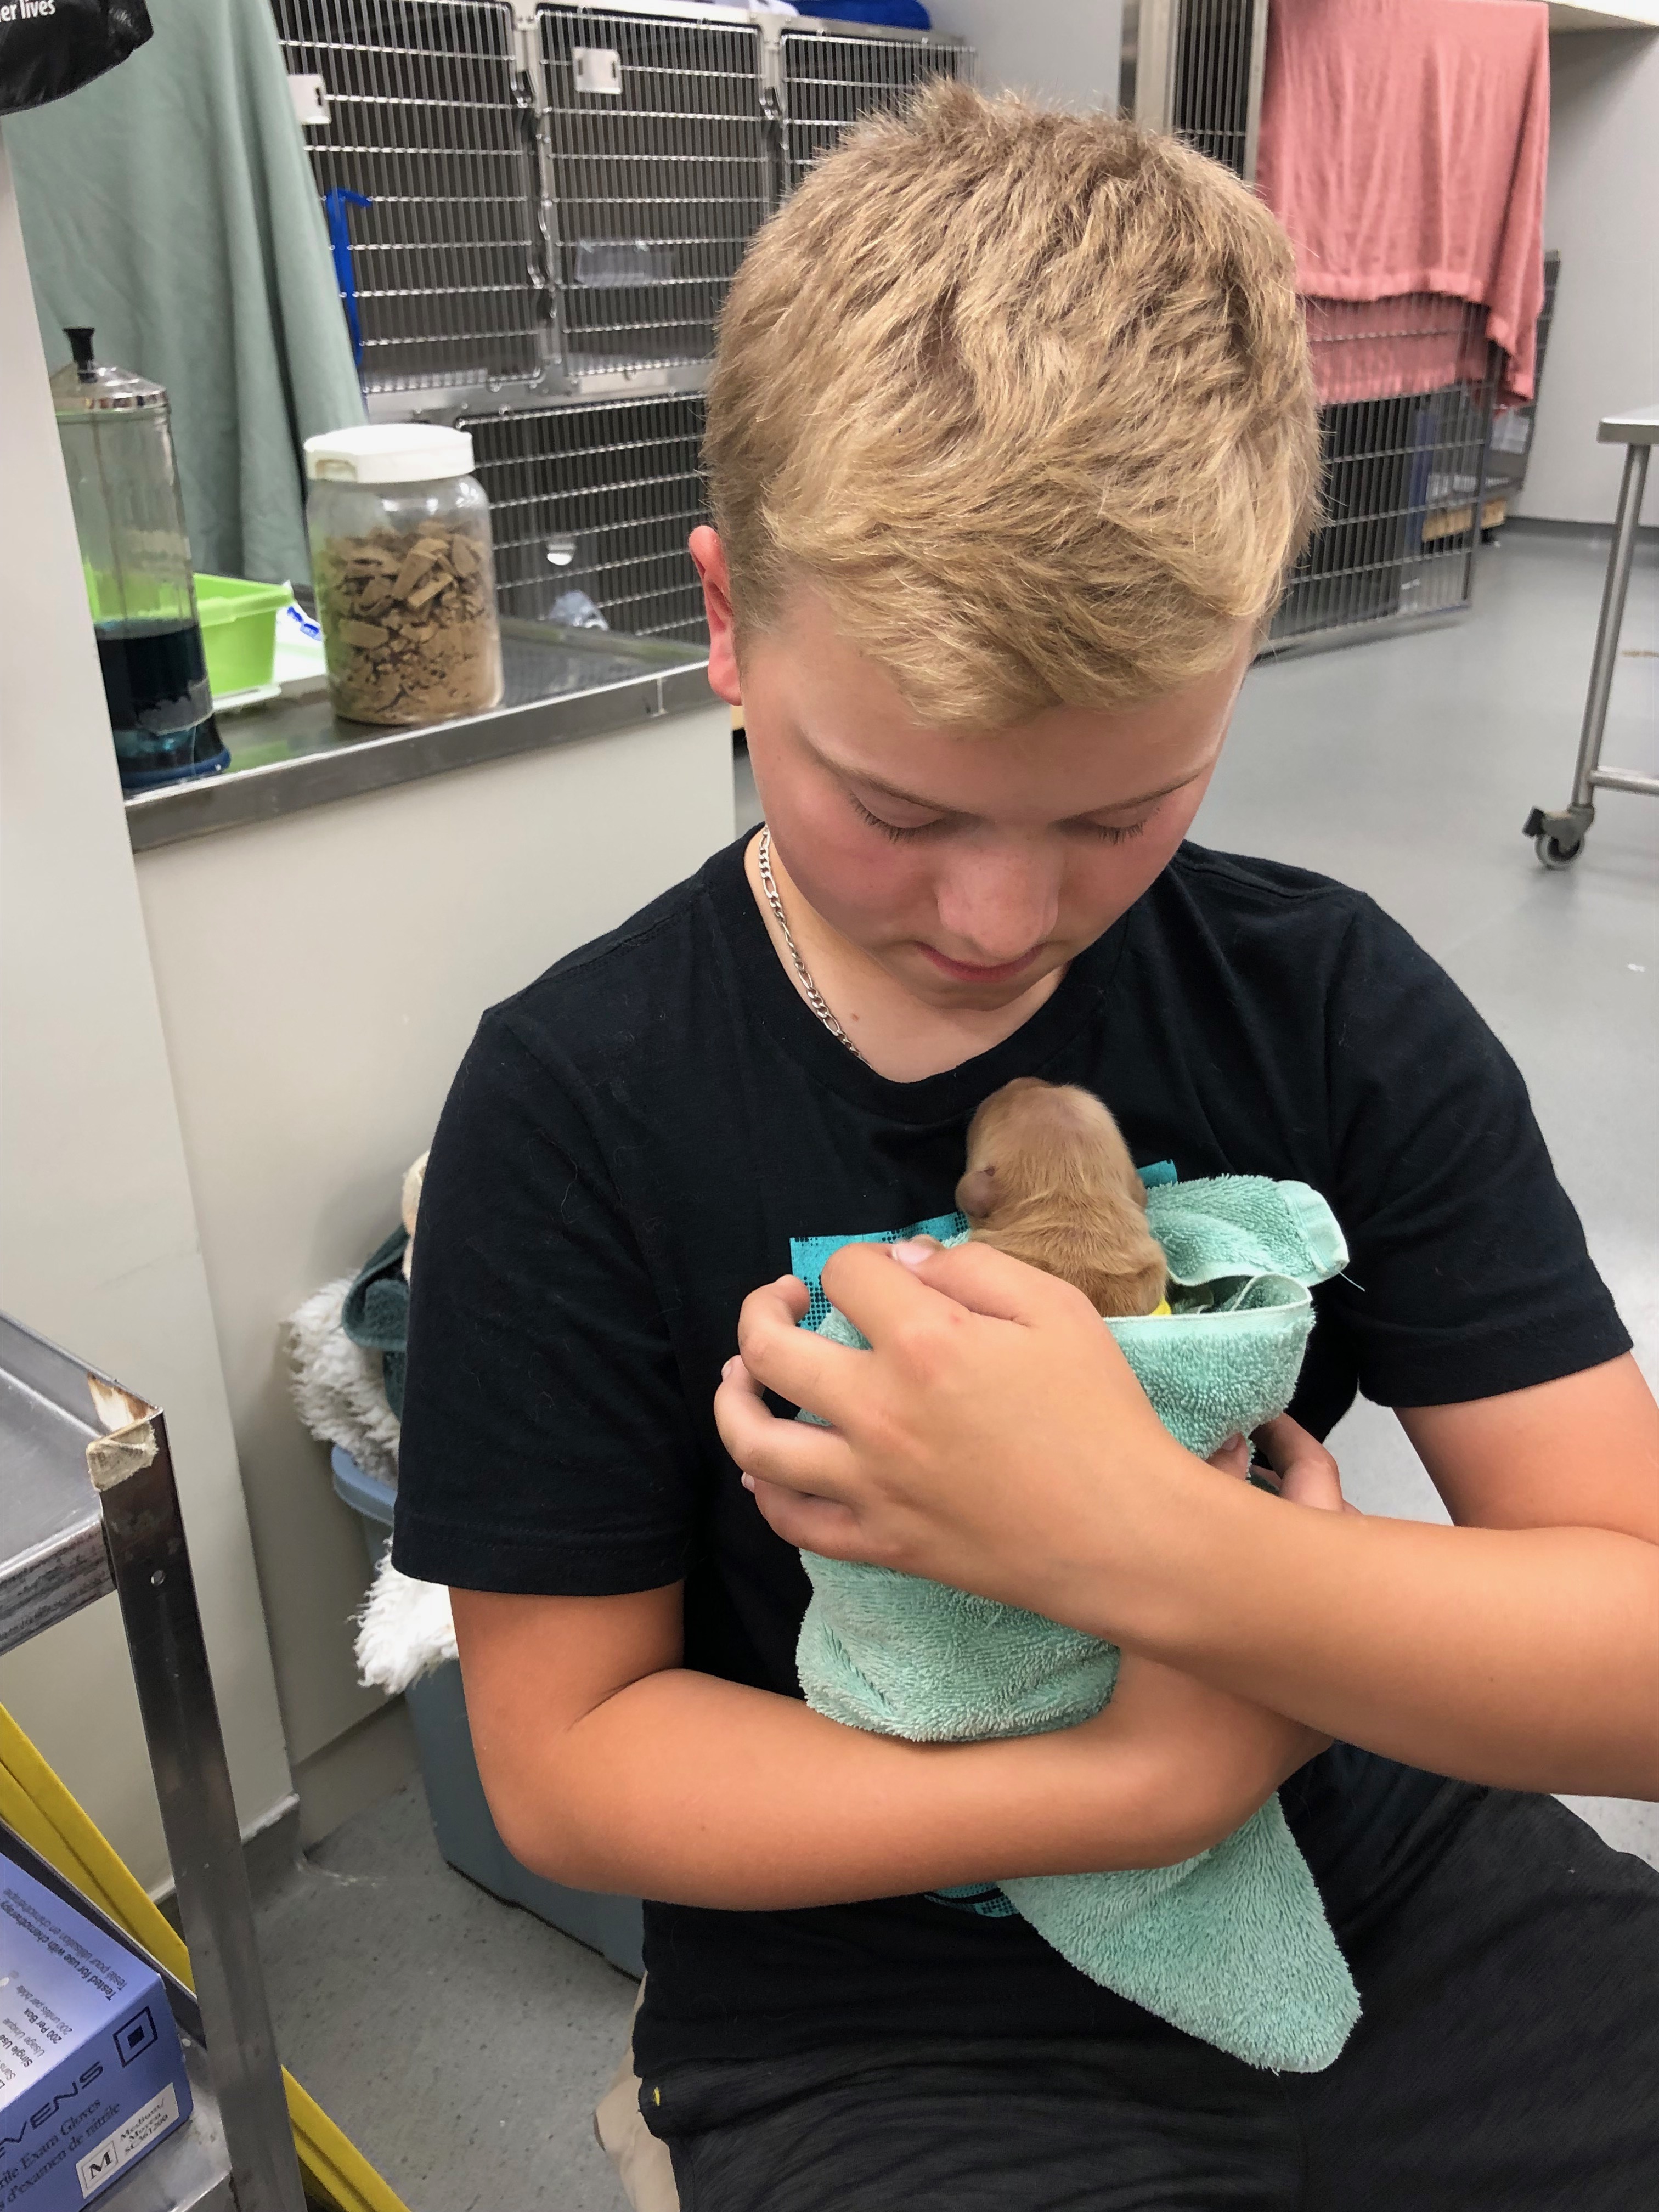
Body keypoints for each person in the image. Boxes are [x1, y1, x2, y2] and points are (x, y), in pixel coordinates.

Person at [394, 86, 1659, 2211]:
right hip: (878, 2007)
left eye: (1119, 813)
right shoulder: (574, 1105)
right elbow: (568, 1762)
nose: (998, 919)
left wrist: (1156, 1552)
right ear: (727, 622)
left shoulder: (1328, 1008)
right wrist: (1130, 1783)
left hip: (1377, 1878)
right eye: (895, 807)